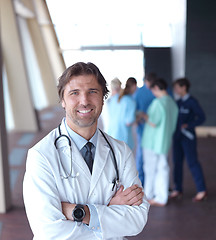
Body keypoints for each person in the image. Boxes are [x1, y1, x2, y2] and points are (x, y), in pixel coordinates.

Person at [23, 62, 149, 240]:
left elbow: (137, 219)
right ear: (63, 101)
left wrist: (79, 212)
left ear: (103, 98)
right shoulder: (41, 156)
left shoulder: (120, 151)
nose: (84, 101)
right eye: (74, 93)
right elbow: (48, 231)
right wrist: (109, 210)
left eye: (92, 92)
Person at [141, 78, 178, 207]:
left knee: (150, 169)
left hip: (152, 141)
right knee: (163, 168)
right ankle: (161, 196)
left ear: (156, 88)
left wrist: (143, 116)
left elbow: (153, 122)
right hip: (165, 141)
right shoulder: (172, 103)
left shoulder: (158, 103)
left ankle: (150, 195)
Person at [170, 77, 207, 202]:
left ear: (184, 87)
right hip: (177, 137)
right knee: (177, 163)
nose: (175, 90)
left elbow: (201, 117)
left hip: (188, 138)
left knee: (192, 162)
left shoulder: (192, 102)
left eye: (177, 87)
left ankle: (201, 190)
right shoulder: (178, 102)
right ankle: (177, 189)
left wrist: (189, 125)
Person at [133, 73, 156, 186]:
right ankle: (141, 183)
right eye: (147, 82)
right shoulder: (139, 92)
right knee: (141, 157)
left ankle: (153, 185)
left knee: (156, 157)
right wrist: (139, 117)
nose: (149, 85)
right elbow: (134, 109)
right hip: (143, 128)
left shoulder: (157, 91)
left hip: (155, 130)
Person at [102, 77, 137, 149]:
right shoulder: (129, 100)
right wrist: (139, 117)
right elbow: (128, 121)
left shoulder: (110, 101)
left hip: (110, 135)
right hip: (124, 138)